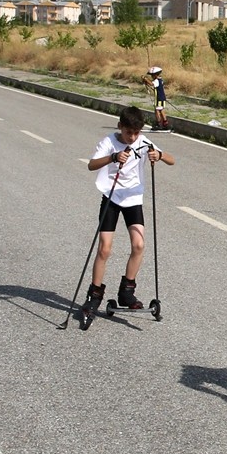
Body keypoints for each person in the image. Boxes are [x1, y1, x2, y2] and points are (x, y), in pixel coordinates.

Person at [78, 105, 175, 320]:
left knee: (138, 245)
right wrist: (113, 157)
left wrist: (158, 155)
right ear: (120, 126)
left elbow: (171, 160)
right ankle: (94, 296)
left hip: (133, 199)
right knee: (104, 249)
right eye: (128, 132)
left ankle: (126, 293)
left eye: (136, 133)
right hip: (111, 197)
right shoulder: (108, 142)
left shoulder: (143, 142)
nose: (132, 137)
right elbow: (92, 165)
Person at [145, 66, 170, 131]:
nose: (151, 76)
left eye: (152, 75)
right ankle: (165, 124)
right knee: (161, 110)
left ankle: (158, 124)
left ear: (155, 75)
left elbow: (151, 84)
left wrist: (146, 79)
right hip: (162, 98)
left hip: (158, 98)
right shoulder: (160, 80)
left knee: (157, 110)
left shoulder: (156, 81)